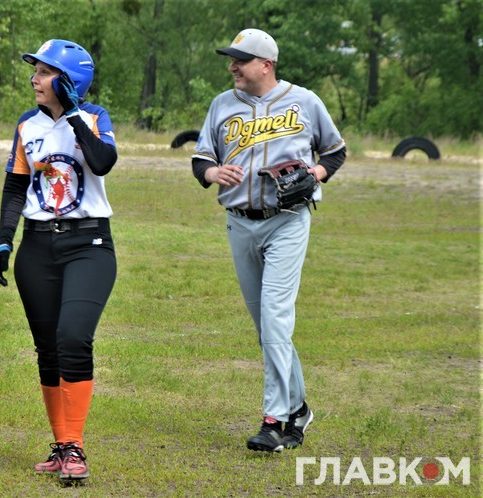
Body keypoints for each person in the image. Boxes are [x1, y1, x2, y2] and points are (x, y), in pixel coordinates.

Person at [191, 28, 346, 453]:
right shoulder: (222, 104)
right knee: (267, 328)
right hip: (239, 223)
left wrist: (316, 173)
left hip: (288, 222)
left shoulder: (305, 101)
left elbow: (334, 151)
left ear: (266, 64)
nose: (232, 66)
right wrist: (212, 172)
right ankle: (299, 409)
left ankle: (274, 420)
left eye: (240, 60)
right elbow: (202, 158)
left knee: (276, 319)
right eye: (231, 59)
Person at [0, 39, 118, 480]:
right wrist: (5, 241)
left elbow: (102, 163)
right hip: (37, 247)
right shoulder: (27, 125)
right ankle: (62, 445)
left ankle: (76, 448)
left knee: (73, 337)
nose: (34, 79)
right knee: (47, 348)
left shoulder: (95, 117)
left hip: (89, 245)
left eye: (44, 72)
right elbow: (15, 188)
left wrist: (74, 113)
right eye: (36, 71)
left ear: (69, 80)